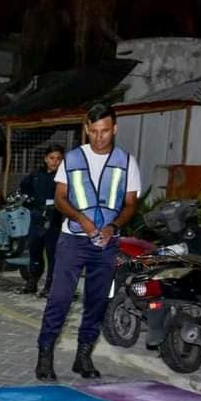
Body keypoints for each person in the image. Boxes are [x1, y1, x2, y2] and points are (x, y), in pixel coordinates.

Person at [36, 103, 140, 381]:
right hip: (73, 240)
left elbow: (130, 204)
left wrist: (113, 226)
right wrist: (81, 219)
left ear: (114, 129)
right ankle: (45, 355)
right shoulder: (71, 158)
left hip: (107, 243)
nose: (99, 137)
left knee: (96, 301)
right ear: (86, 129)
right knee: (59, 298)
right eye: (93, 131)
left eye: (104, 131)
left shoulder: (127, 162)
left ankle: (83, 356)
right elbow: (60, 198)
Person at [16, 145, 64, 297]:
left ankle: (50, 286)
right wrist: (29, 202)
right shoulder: (35, 175)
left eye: (58, 159)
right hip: (36, 219)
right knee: (35, 252)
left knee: (52, 254)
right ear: (45, 158)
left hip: (54, 220)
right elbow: (24, 190)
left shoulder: (63, 178)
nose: (54, 162)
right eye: (51, 158)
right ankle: (32, 283)